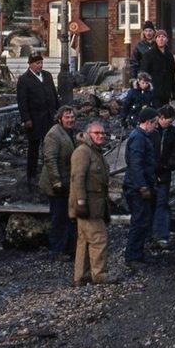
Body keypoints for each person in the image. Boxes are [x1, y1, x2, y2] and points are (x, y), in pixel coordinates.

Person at [69, 121, 116, 285]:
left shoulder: (94, 152)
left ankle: (80, 276)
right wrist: (81, 202)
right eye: (97, 133)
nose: (101, 136)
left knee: (84, 240)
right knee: (99, 238)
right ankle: (99, 274)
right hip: (89, 205)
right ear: (89, 134)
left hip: (95, 204)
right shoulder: (83, 152)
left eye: (103, 133)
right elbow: (77, 178)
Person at [39, 105, 78, 259]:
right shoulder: (54, 134)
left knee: (68, 216)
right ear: (60, 118)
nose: (71, 120)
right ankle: (56, 250)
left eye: (72, 117)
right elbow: (50, 159)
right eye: (67, 117)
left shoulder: (69, 133)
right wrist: (56, 183)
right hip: (56, 183)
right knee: (59, 216)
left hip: (67, 181)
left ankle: (69, 246)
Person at [123, 106, 159, 266]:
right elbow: (136, 165)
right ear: (148, 122)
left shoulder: (141, 136)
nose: (156, 126)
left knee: (142, 220)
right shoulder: (139, 138)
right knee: (139, 222)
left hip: (138, 185)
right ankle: (132, 256)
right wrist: (142, 186)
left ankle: (137, 253)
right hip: (136, 188)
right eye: (155, 123)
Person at [17, 52, 59, 187]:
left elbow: (54, 94)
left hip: (49, 117)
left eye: (41, 63)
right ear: (30, 64)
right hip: (35, 119)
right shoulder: (24, 80)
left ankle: (50, 175)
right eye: (37, 63)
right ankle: (31, 176)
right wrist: (26, 119)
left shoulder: (47, 75)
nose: (40, 65)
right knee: (34, 148)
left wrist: (58, 112)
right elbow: (22, 101)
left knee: (50, 148)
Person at [150, 105, 175, 249]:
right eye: (169, 121)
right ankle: (152, 234)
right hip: (152, 173)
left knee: (162, 203)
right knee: (151, 204)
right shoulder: (152, 131)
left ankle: (161, 235)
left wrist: (172, 162)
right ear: (161, 118)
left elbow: (174, 148)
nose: (170, 124)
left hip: (164, 173)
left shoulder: (171, 131)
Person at [140, 29, 175, 106]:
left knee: (164, 114)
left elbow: (173, 74)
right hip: (154, 91)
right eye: (158, 37)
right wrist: (145, 88)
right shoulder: (149, 55)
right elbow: (144, 73)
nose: (161, 39)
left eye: (163, 37)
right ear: (156, 39)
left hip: (166, 91)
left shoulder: (169, 55)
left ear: (167, 39)